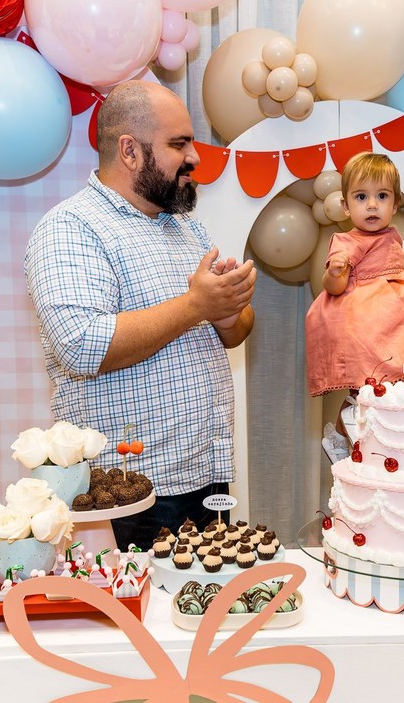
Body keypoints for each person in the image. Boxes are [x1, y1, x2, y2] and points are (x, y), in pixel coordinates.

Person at [23, 80, 256, 550]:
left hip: (206, 470)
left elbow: (231, 335)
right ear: (129, 151)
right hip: (131, 493)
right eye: (179, 144)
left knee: (202, 614)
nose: (194, 157)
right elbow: (84, 345)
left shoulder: (184, 225)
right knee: (143, 620)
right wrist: (197, 304)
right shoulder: (72, 228)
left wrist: (228, 309)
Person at [305, 152, 404, 404]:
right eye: (361, 197)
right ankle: (341, 429)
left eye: (382, 196)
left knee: (391, 382)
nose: (372, 205)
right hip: (363, 318)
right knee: (362, 388)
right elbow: (334, 289)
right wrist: (334, 272)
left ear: (396, 202)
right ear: (345, 206)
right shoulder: (345, 241)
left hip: (390, 315)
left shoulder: (394, 235)